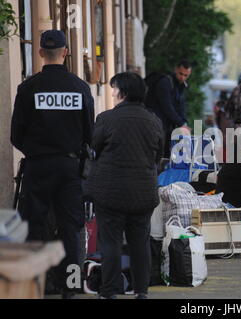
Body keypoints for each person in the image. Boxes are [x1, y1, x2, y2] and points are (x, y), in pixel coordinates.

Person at [10, 30, 95, 298]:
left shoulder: (28, 88)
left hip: (37, 167)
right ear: (65, 52)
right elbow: (89, 133)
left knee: (34, 228)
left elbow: (16, 135)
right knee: (70, 229)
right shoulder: (80, 88)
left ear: (40, 53)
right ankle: (69, 288)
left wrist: (36, 152)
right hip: (70, 168)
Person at [85, 72, 164, 299]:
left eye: (113, 89)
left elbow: (95, 146)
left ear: (123, 92)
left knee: (110, 242)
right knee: (140, 242)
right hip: (143, 193)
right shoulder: (154, 121)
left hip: (110, 193)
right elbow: (158, 154)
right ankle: (142, 291)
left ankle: (109, 292)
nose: (111, 93)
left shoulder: (106, 119)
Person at [147, 60, 192, 158]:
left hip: (168, 126)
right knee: (157, 154)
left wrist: (184, 122)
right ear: (176, 70)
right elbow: (167, 106)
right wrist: (181, 123)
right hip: (157, 123)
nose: (182, 77)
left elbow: (181, 106)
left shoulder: (181, 86)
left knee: (166, 154)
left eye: (185, 75)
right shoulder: (165, 82)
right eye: (181, 73)